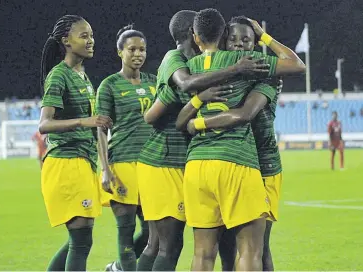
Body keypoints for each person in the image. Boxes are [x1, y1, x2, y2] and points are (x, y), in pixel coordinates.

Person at [136, 10, 274, 271]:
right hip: (169, 160)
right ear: (195, 35)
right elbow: (155, 112)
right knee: (166, 245)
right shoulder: (176, 59)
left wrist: (197, 111)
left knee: (194, 247)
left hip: (192, 162)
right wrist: (237, 68)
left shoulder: (201, 63)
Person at [176, 9, 305, 271]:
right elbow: (296, 64)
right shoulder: (247, 63)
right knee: (250, 250)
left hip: (230, 164)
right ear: (224, 37)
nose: (239, 45)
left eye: (247, 40)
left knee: (209, 252)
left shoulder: (192, 69)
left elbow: (182, 118)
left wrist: (197, 122)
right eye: (234, 39)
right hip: (239, 161)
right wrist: (262, 39)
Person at [39, 15, 113, 271]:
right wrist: (85, 121)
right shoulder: (59, 76)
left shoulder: (81, 75)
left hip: (83, 162)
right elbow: (44, 124)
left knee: (79, 241)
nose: (91, 41)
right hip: (65, 162)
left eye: (91, 35)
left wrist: (105, 167)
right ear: (65, 42)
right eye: (83, 36)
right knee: (81, 240)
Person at [96, 25, 157, 272]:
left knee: (157, 234)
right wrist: (105, 169)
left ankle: (117, 268)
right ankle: (123, 267)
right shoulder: (109, 85)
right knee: (126, 232)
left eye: (142, 49)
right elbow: (100, 129)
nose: (138, 54)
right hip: (123, 163)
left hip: (152, 165)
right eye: (132, 49)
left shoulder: (155, 81)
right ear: (120, 52)